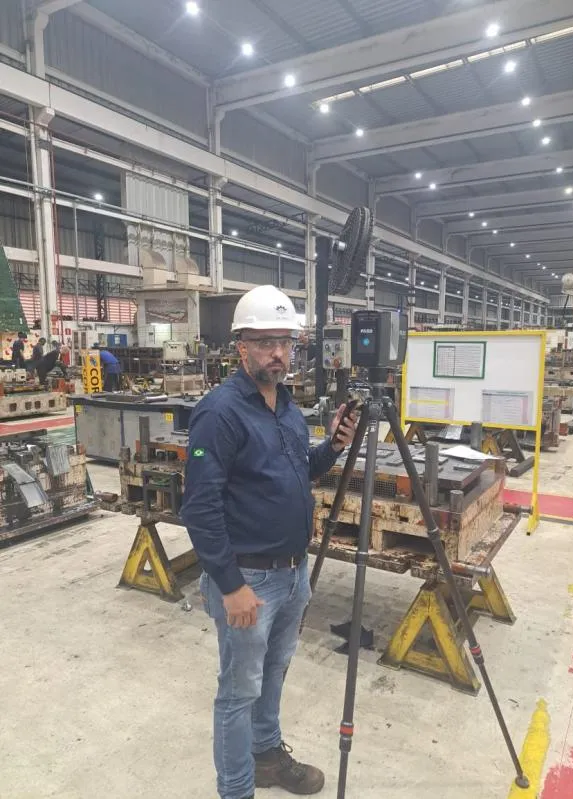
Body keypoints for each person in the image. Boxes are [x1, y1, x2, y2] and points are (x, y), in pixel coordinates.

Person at [181, 285, 357, 799]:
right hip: (249, 580)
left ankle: (267, 756)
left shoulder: (287, 408)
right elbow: (199, 507)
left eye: (285, 342)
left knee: (273, 674)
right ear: (241, 347)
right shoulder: (220, 413)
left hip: (292, 573)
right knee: (238, 693)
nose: (277, 353)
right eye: (264, 343)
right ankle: (237, 790)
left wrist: (333, 448)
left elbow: (300, 471)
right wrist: (230, 585)